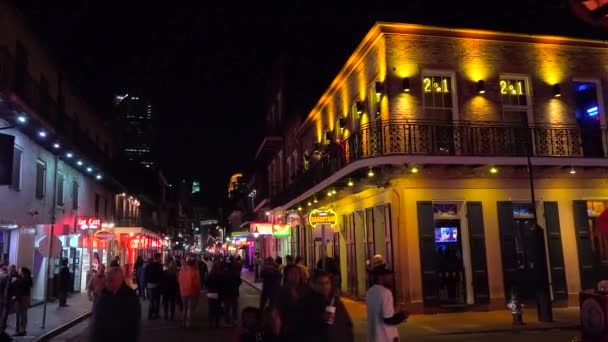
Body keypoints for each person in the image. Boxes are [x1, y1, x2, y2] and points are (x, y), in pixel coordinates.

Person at [89, 267, 140, 342]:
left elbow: (133, 324)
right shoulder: (103, 294)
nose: (107, 283)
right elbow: (96, 319)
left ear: (121, 280)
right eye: (107, 280)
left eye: (111, 280)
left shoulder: (130, 296)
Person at [276, 265, 321, 342]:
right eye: (292, 273)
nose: (295, 275)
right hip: (288, 331)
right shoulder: (281, 292)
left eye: (297, 273)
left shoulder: (307, 290)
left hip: (305, 330)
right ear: (286, 275)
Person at [366, 268, 407, 342]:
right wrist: (403, 315)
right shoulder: (386, 293)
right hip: (386, 337)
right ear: (380, 277)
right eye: (389, 276)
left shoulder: (370, 292)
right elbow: (388, 319)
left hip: (373, 337)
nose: (391, 279)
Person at [312, 271, 354, 342]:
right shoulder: (309, 302)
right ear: (313, 285)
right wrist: (320, 318)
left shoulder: (336, 301)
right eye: (321, 283)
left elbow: (347, 324)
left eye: (327, 283)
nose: (324, 286)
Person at [178, 258, 201, 328]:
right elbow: (197, 284)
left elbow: (179, 280)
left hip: (183, 291)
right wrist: (198, 292)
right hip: (192, 291)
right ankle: (189, 323)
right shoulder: (195, 272)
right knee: (190, 308)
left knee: (184, 307)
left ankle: (183, 322)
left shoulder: (182, 271)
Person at [14, 267, 32, 337]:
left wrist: (17, 280)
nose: (18, 271)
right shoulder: (24, 278)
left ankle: (22, 330)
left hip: (22, 298)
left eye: (19, 270)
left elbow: (22, 287)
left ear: (23, 271)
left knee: (22, 314)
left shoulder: (25, 279)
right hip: (22, 297)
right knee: (22, 314)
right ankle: (21, 330)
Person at [222, 261, 242, 326]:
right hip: (234, 292)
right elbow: (239, 282)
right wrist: (235, 286)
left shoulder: (224, 274)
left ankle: (226, 321)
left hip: (226, 292)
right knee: (234, 307)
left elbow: (221, 282)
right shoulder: (235, 274)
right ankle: (234, 320)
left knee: (226, 307)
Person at [145, 253, 164, 319]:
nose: (161, 259)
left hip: (149, 285)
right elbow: (161, 276)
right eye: (160, 258)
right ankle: (156, 314)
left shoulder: (149, 265)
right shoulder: (159, 266)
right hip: (157, 285)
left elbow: (146, 275)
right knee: (157, 300)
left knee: (151, 300)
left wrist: (146, 284)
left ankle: (150, 315)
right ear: (158, 258)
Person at [207, 262, 223, 328]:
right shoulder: (220, 275)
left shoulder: (210, 275)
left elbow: (207, 283)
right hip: (217, 293)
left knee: (211, 309)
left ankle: (211, 323)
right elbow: (222, 286)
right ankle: (217, 323)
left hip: (210, 293)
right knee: (217, 308)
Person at [0, 266, 10, 334]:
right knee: (1, 314)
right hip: (1, 298)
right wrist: (5, 299)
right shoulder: (6, 276)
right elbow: (6, 289)